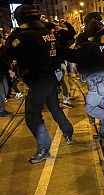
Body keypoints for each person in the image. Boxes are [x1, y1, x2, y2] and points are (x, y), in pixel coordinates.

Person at [5, 4, 74, 163]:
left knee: (32, 116)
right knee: (54, 107)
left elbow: (8, 52)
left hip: (39, 80)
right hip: (50, 77)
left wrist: (14, 33)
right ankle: (68, 130)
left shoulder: (23, 36)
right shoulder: (46, 32)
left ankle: (44, 149)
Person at [62, 20, 104, 141]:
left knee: (90, 108)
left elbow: (70, 55)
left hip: (98, 84)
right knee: (103, 109)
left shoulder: (89, 48)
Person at [0, 34, 12, 117]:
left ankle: (2, 108)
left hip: (2, 73)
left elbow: (4, 59)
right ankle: (0, 110)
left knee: (5, 89)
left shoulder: (2, 48)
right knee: (1, 92)